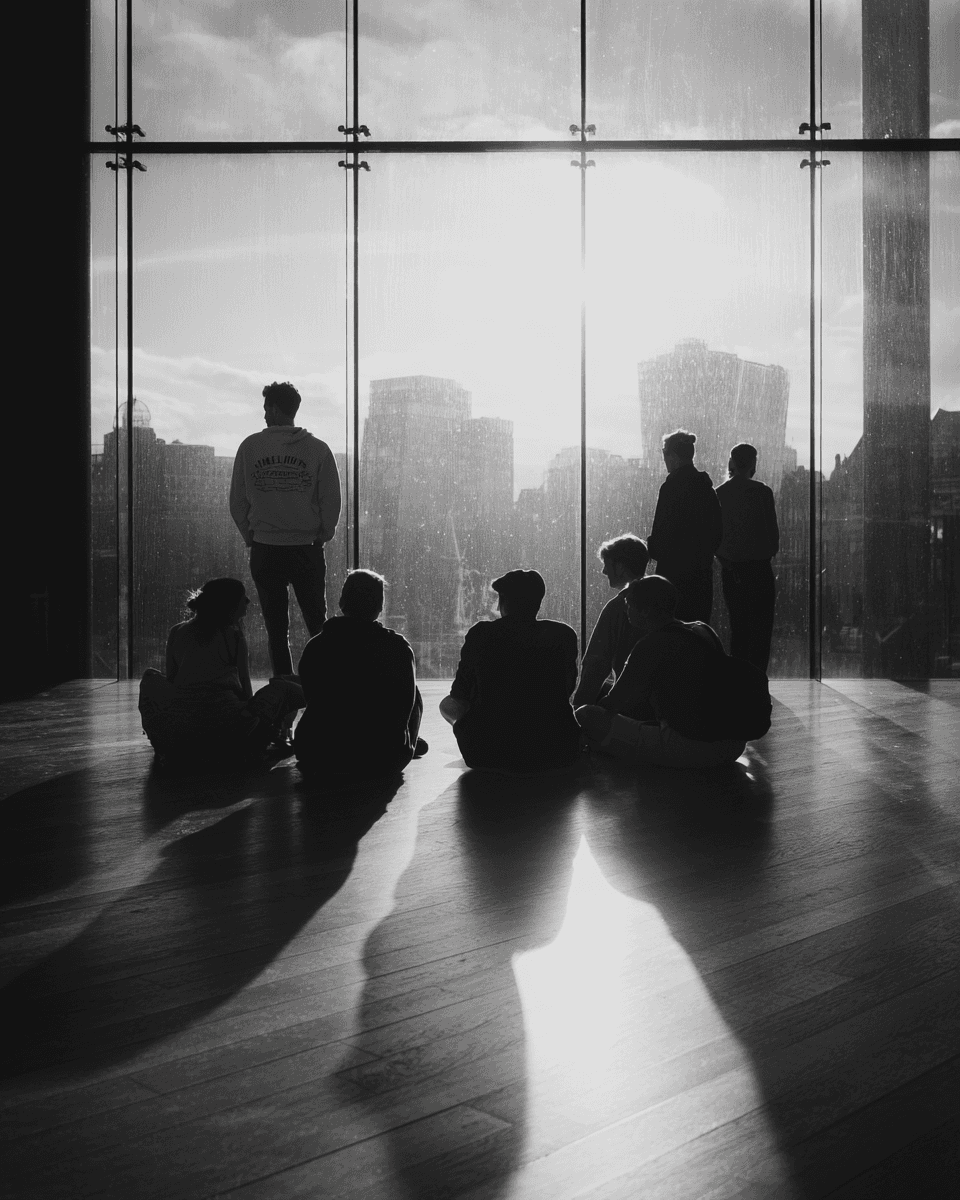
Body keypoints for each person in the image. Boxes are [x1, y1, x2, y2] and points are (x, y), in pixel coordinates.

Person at [575, 575, 746, 769]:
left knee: (587, 715)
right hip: (734, 742)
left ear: (645, 611)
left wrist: (584, 706)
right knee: (606, 688)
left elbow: (614, 703)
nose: (626, 610)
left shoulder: (650, 645)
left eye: (629, 605)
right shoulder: (703, 630)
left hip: (693, 747)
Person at [230, 381, 342, 677]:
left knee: (276, 628)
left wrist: (250, 535)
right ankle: (325, 682)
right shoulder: (318, 449)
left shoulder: (250, 447)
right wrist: (323, 533)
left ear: (275, 409)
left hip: (266, 548)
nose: (265, 415)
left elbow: (237, 501)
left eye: (267, 408)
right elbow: (331, 499)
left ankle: (284, 684)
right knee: (318, 623)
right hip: (306, 547)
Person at [139, 577, 304, 764]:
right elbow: (245, 689)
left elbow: (172, 680)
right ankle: (282, 733)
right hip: (228, 730)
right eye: (243, 597)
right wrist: (258, 718)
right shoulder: (233, 636)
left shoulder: (177, 631)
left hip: (180, 731)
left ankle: (171, 744)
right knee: (285, 688)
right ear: (230, 605)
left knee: (150, 677)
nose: (248, 601)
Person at [439, 569, 581, 774]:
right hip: (558, 749)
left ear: (503, 601)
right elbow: (567, 689)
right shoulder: (563, 635)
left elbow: (459, 694)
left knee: (447, 705)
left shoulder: (482, 634)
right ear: (538, 601)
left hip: (488, 752)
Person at [294, 569, 427, 780]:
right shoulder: (397, 647)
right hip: (383, 757)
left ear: (342, 601)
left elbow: (311, 694)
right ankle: (410, 740)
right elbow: (404, 704)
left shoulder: (317, 645)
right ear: (380, 606)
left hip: (316, 752)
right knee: (415, 693)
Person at [647, 429, 722, 623]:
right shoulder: (706, 488)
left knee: (672, 629)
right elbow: (717, 533)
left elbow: (661, 532)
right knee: (696, 629)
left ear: (671, 456)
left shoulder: (671, 488)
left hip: (673, 574)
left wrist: (653, 548)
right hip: (701, 575)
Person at [716, 442, 780, 673]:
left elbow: (716, 537)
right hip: (759, 569)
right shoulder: (763, 492)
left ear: (731, 462)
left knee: (738, 629)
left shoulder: (720, 493)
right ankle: (758, 681)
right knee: (761, 630)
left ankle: (739, 683)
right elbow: (773, 536)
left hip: (732, 571)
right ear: (753, 463)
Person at [573, 533, 650, 708]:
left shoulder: (618, 607)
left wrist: (578, 710)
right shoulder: (662, 601)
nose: (604, 571)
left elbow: (595, 666)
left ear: (620, 567)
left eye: (607, 565)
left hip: (630, 709)